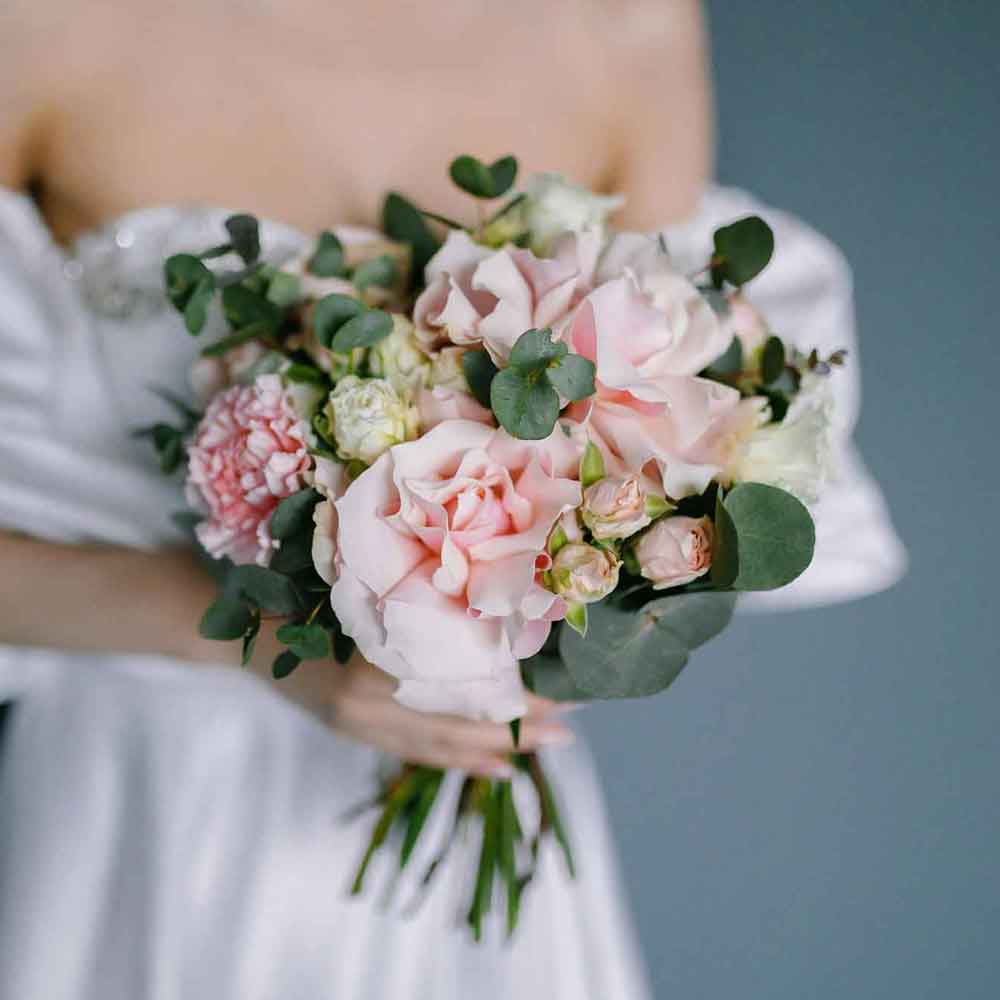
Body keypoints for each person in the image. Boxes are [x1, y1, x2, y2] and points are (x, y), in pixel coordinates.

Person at [0, 2, 904, 998]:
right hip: (145, 796)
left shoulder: (628, 26)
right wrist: (256, 639)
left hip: (470, 775)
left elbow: (673, 378)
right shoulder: (46, 27)